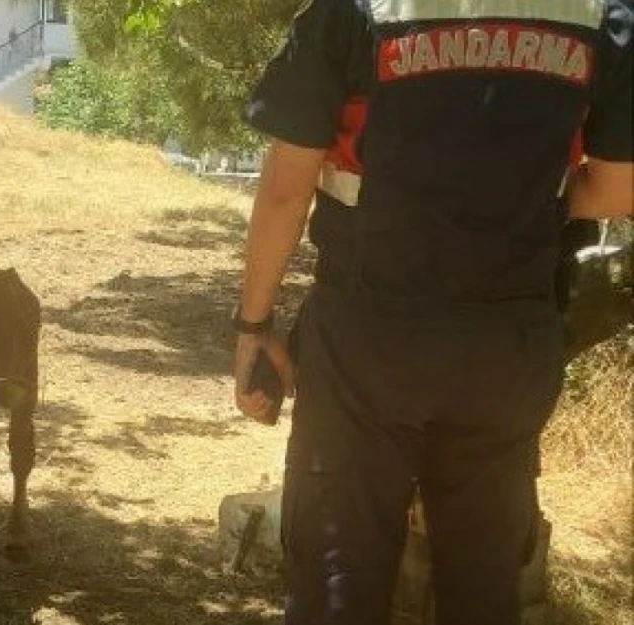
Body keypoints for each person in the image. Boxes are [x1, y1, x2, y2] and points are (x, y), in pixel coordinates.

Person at [230, 1, 633, 624]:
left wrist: (254, 326)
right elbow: (617, 190)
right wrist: (527, 208)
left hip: (369, 342)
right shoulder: (601, 17)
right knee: (483, 586)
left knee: (339, 579)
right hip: (508, 344)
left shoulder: (353, 11)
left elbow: (287, 188)